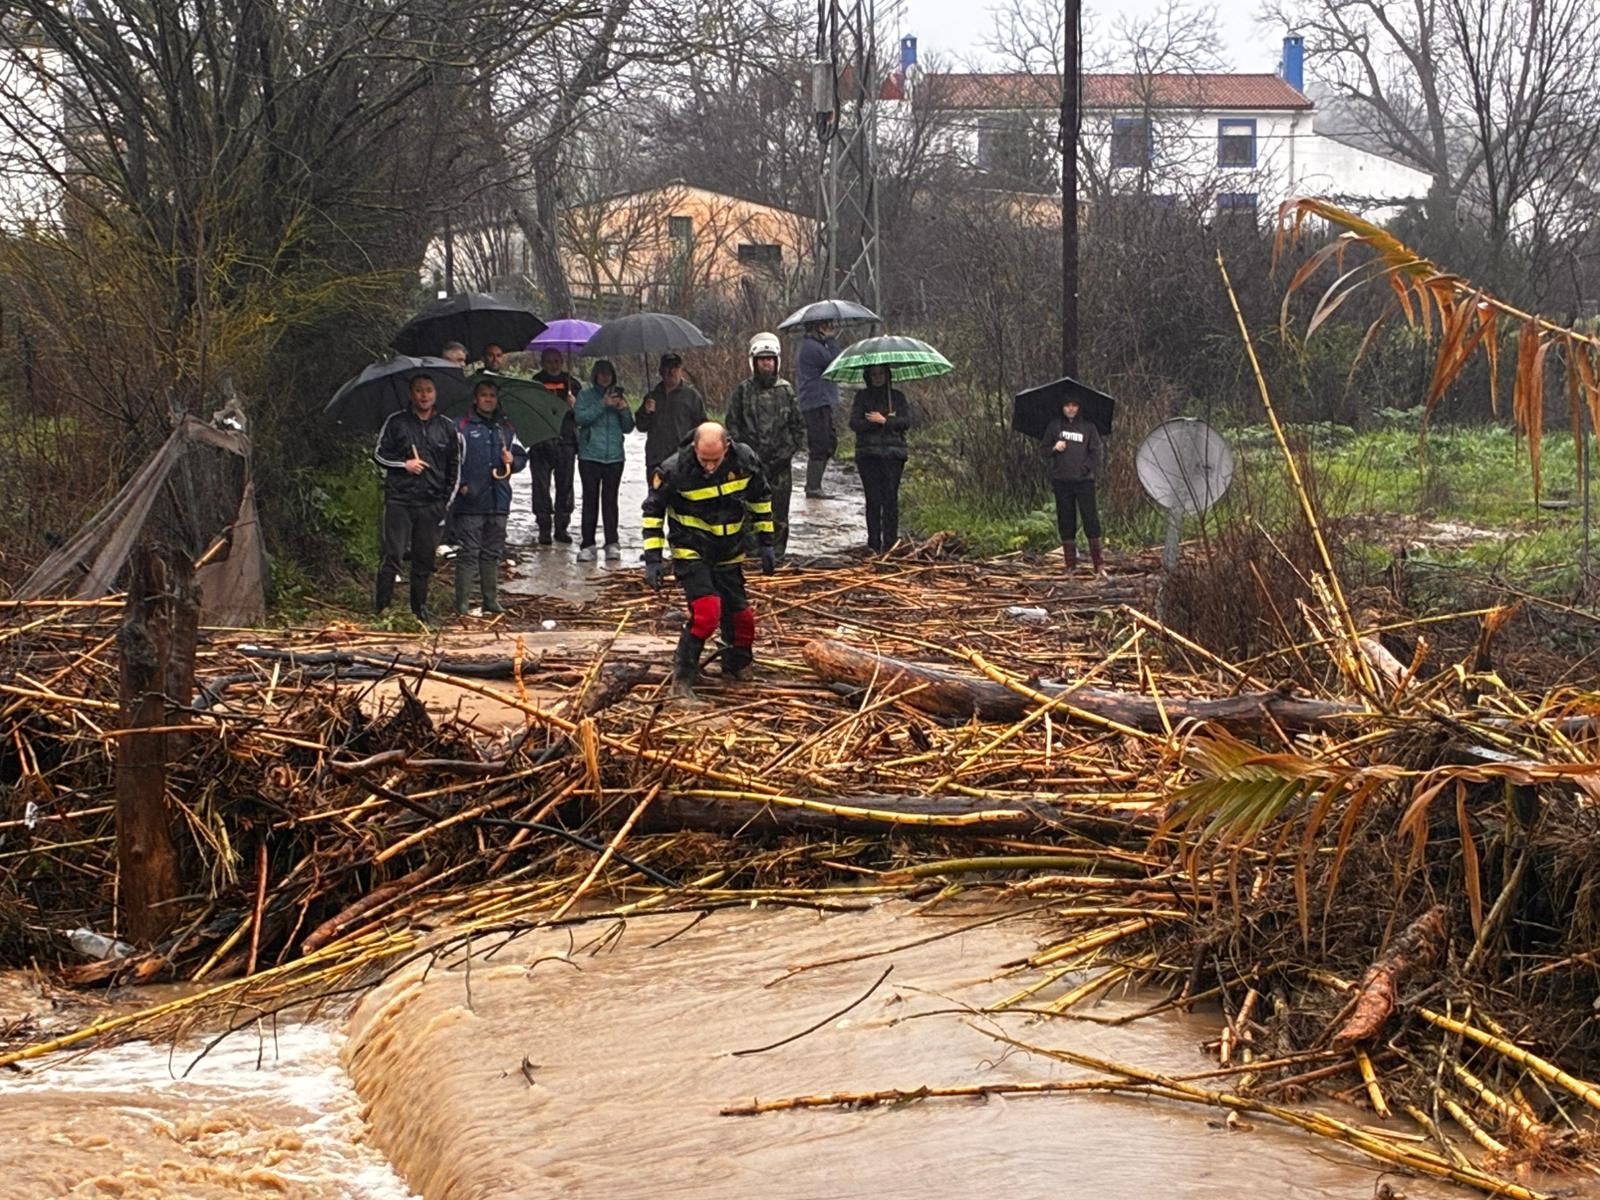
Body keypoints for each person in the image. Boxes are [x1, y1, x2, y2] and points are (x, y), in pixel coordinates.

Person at [641, 422, 776, 704]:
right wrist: (653, 559)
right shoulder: (673, 470)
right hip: (692, 550)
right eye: (705, 460)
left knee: (742, 618)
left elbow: (761, 499)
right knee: (706, 613)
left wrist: (766, 542)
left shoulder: (745, 461)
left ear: (727, 447)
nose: (711, 467)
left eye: (716, 460)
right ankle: (682, 679)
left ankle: (736, 665)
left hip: (729, 551)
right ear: (694, 448)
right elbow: (653, 512)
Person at [372, 373, 462, 624]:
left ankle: (419, 609)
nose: (424, 395)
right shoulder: (396, 422)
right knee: (393, 554)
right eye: (419, 390)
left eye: (429, 390)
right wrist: (404, 464)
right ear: (411, 394)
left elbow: (454, 467)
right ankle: (383, 608)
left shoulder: (446, 427)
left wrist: (445, 503)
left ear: (436, 394)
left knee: (424, 559)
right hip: (400, 500)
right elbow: (379, 455)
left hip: (431, 503)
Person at [725, 332, 804, 561]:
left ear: (777, 361)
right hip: (749, 466)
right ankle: (751, 556)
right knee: (749, 512)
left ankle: (777, 556)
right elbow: (732, 425)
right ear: (754, 362)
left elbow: (798, 429)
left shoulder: (786, 391)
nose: (766, 363)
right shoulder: (743, 391)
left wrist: (783, 456)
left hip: (779, 468)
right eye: (762, 359)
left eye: (770, 359)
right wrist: (745, 456)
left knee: (778, 513)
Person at [452, 379, 527, 615]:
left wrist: (512, 461)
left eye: (492, 395)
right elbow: (450, 460)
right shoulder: (460, 426)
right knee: (468, 552)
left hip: (500, 498)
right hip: (471, 499)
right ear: (475, 399)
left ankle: (490, 600)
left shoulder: (507, 427)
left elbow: (522, 458)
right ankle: (462, 603)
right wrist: (462, 485)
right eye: (483, 395)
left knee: (492, 552)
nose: (488, 399)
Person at [574, 359, 634, 563]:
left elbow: (628, 427)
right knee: (590, 500)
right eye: (601, 373)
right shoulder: (585, 396)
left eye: (608, 373)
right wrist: (602, 405)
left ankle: (612, 543)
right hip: (590, 455)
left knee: (610, 501)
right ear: (595, 375)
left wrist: (623, 409)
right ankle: (588, 544)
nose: (605, 377)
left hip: (615, 456)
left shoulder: (620, 397)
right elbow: (580, 418)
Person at [849, 364, 913, 554]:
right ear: (868, 376)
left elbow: (906, 422)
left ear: (887, 374)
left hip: (894, 455)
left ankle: (890, 544)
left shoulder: (897, 397)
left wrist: (886, 421)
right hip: (868, 455)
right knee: (873, 500)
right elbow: (854, 423)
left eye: (881, 373)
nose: (878, 377)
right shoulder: (862, 397)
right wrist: (873, 423)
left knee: (890, 500)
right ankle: (873, 544)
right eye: (874, 374)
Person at [1042, 394, 1107, 575]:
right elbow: (1044, 450)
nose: (1070, 409)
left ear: (1079, 407)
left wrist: (1085, 469)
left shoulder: (1089, 427)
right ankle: (1070, 565)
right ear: (1062, 408)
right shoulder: (1055, 426)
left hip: (1084, 482)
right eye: (1067, 405)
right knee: (1066, 521)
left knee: (1091, 519)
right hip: (1062, 481)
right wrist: (1055, 448)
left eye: (1074, 405)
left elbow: (1096, 452)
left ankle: (1098, 564)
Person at [528, 347, 580, 545]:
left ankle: (562, 527)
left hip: (565, 441)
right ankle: (543, 527)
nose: (553, 365)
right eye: (549, 361)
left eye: (557, 361)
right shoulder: (534, 383)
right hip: (540, 441)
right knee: (540, 486)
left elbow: (581, 416)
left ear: (562, 362)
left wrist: (573, 405)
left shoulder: (573, 384)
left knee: (565, 486)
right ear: (543, 362)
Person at [635, 352, 706, 478]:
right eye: (667, 367)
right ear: (660, 371)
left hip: (682, 460)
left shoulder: (692, 397)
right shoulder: (652, 396)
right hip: (656, 460)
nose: (670, 371)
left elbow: (702, 428)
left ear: (681, 370)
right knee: (656, 496)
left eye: (674, 367)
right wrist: (646, 412)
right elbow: (641, 426)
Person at [794, 320, 841, 498]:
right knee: (820, 444)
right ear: (818, 328)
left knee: (829, 442)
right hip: (815, 402)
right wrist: (831, 341)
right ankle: (813, 486)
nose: (831, 328)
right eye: (827, 326)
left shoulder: (812, 345)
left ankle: (814, 484)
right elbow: (835, 363)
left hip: (821, 401)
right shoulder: (811, 347)